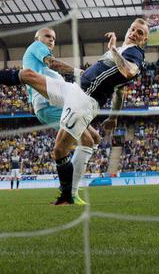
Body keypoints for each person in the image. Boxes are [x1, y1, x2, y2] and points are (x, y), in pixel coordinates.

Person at [0, 18, 148, 205]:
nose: (133, 33)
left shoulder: (135, 53)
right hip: (74, 90)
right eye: (132, 29)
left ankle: (68, 195)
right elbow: (120, 90)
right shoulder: (122, 50)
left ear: (144, 39)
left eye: (140, 32)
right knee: (27, 75)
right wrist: (113, 118)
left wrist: (113, 49)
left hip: (84, 100)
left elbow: (129, 72)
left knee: (60, 150)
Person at [17, 27, 100, 204]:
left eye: (54, 38)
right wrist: (81, 72)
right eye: (47, 36)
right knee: (86, 141)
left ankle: (70, 188)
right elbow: (52, 63)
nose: (51, 40)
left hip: (58, 103)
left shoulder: (48, 70)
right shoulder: (37, 47)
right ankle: (70, 191)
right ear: (37, 38)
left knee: (94, 138)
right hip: (47, 102)